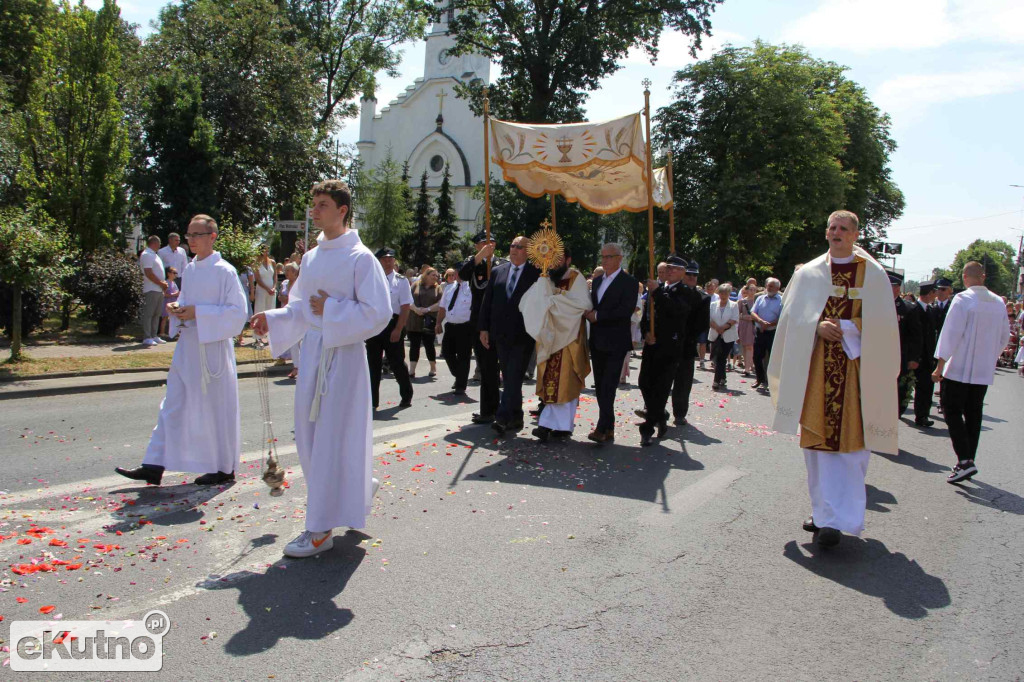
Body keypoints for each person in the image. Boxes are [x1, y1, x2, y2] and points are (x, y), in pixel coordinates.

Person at [251, 180, 392, 558]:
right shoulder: (312, 258)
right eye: (314, 203)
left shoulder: (361, 258)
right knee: (312, 438)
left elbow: (379, 313)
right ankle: (354, 490)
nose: (315, 211)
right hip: (313, 356)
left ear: (343, 210)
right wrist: (273, 316)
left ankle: (320, 530)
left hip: (343, 359)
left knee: (331, 439)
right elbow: (301, 308)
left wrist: (331, 309)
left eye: (323, 204)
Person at [767, 209, 899, 548]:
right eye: (831, 227)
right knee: (817, 445)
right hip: (816, 369)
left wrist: (851, 329)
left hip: (857, 373)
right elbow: (790, 320)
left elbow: (884, 328)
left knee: (851, 448)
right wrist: (815, 326)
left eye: (843, 228)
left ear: (856, 235)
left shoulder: (873, 275)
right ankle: (823, 515)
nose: (836, 232)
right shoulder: (809, 273)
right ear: (826, 232)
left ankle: (845, 518)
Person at [116, 215, 249, 487]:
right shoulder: (191, 269)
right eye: (189, 235)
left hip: (212, 349)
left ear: (212, 237)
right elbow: (187, 302)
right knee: (173, 403)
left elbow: (238, 314)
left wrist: (198, 313)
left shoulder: (225, 271)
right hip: (188, 346)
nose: (191, 240)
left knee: (215, 408)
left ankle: (223, 467)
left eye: (197, 234)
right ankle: (154, 463)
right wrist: (178, 310)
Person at [933, 261, 1011, 483]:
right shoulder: (998, 302)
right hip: (982, 370)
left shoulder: (962, 299)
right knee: (974, 414)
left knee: (951, 410)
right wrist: (990, 356)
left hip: (958, 368)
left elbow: (950, 333)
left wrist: (940, 365)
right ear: (983, 277)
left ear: (964, 277)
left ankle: (965, 460)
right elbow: (1004, 336)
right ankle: (966, 460)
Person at [519, 248, 591, 442]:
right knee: (552, 381)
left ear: (568, 260)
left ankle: (555, 425)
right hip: (549, 338)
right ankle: (555, 425)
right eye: (552, 260)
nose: (555, 263)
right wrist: (545, 291)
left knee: (565, 381)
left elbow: (582, 305)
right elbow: (529, 302)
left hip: (569, 338)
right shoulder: (546, 278)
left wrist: (553, 300)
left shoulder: (576, 277)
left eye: (559, 260)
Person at [480, 235, 540, 435]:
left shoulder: (537, 274)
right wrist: (484, 328)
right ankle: (515, 417)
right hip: (500, 333)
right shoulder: (498, 271)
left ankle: (503, 416)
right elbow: (487, 302)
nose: (514, 249)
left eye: (520, 247)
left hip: (524, 334)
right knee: (510, 376)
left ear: (528, 251)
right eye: (512, 245)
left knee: (513, 375)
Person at [585, 243, 639, 443]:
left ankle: (601, 427)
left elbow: (625, 310)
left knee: (608, 384)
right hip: (598, 340)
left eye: (609, 256)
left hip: (616, 340)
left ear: (619, 258)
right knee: (600, 385)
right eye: (603, 256)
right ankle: (609, 426)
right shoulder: (598, 281)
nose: (605, 260)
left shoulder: (629, 282)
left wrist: (598, 316)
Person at [636, 255, 689, 446]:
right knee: (644, 382)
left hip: (669, 348)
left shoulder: (685, 291)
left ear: (683, 272)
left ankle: (647, 427)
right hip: (652, 346)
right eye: (668, 268)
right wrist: (645, 332)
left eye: (674, 269)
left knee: (660, 388)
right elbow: (647, 315)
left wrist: (657, 292)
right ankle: (660, 414)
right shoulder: (658, 290)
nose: (669, 271)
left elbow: (675, 312)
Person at [459, 231, 503, 424]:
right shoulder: (473, 262)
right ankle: (488, 410)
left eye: (491, 242)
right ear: (477, 246)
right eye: (483, 243)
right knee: (486, 367)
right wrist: (479, 257)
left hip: (499, 320)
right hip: (479, 321)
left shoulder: (502, 264)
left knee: (499, 367)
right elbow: (462, 274)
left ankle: (502, 409)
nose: (488, 245)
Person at [366, 248, 414, 410]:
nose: (388, 261)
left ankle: (406, 395)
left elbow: (405, 306)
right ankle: (372, 401)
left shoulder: (400, 281)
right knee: (373, 365)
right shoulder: (370, 279)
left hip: (393, 324)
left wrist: (399, 329)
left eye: (390, 258)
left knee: (397, 363)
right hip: (374, 325)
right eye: (384, 258)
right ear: (378, 260)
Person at [670, 259, 709, 425]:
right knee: (662, 379)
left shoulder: (702, 298)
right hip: (669, 342)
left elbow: (702, 323)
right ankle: (655, 410)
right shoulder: (673, 292)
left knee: (683, 382)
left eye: (695, 275)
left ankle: (680, 413)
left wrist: (686, 335)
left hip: (686, 344)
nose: (692, 277)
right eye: (689, 274)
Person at [435, 269, 473, 394]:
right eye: (455, 272)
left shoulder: (471, 288)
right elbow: (442, 307)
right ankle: (460, 375)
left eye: (458, 272)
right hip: (450, 325)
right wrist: (438, 322)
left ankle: (460, 385)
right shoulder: (449, 288)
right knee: (446, 352)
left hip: (465, 327)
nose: (456, 275)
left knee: (463, 356)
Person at [892, 272, 922, 417]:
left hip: (900, 356)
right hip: (876, 356)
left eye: (894, 286)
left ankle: (895, 414)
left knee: (899, 390)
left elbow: (916, 335)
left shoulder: (908, 308)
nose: (891, 289)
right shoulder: (874, 304)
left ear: (898, 288)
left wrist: (914, 358)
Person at [911, 281, 939, 427]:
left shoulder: (929, 310)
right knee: (914, 388)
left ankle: (922, 415)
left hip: (928, 357)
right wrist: (912, 357)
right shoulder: (914, 310)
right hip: (917, 357)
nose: (935, 296)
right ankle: (917, 414)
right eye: (934, 293)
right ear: (929, 294)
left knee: (926, 388)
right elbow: (911, 336)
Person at [407, 267, 442, 378]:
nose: (435, 277)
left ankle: (433, 367)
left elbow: (441, 303)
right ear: (426, 275)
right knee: (414, 345)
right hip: (414, 319)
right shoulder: (415, 285)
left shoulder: (438, 288)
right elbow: (407, 299)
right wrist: (416, 309)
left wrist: (427, 309)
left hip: (429, 320)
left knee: (429, 344)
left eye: (437, 276)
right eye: (433, 275)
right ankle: (412, 370)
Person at [750, 277, 782, 390]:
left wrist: (768, 324)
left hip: (772, 333)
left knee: (773, 359)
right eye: (768, 285)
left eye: (772, 286)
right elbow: (753, 312)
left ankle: (771, 382)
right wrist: (760, 321)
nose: (769, 288)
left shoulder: (782, 301)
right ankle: (760, 379)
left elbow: (782, 318)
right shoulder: (760, 298)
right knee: (757, 357)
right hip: (760, 332)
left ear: (777, 288)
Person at [708, 283, 740, 390]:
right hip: (715, 333)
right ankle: (723, 377)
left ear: (729, 293)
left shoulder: (734, 305)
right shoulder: (713, 304)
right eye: (721, 292)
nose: (723, 295)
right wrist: (717, 327)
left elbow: (734, 319)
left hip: (728, 335)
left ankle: (716, 381)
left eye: (726, 293)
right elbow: (709, 319)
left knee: (722, 358)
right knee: (715, 357)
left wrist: (723, 327)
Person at [139, 235, 168, 347]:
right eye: (159, 243)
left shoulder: (154, 255)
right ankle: (147, 336)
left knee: (157, 314)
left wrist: (162, 285)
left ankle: (154, 335)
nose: (160, 246)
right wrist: (161, 283)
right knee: (149, 313)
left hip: (158, 289)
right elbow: (148, 272)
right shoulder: (147, 254)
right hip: (151, 288)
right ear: (154, 243)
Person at [253, 245, 277, 346]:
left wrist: (274, 287)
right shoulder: (256, 263)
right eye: (263, 251)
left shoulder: (272, 262)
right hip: (262, 290)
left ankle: (269, 335)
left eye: (266, 250)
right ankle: (258, 336)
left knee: (270, 311)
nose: (265, 253)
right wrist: (267, 289)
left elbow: (275, 276)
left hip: (271, 290)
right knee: (260, 310)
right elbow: (258, 279)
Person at [737, 284, 757, 377]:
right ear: (747, 290)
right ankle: (747, 365)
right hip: (744, 325)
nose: (752, 291)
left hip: (754, 325)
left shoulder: (757, 301)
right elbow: (736, 315)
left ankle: (748, 367)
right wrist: (745, 317)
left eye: (754, 290)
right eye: (751, 289)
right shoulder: (742, 301)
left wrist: (754, 318)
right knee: (745, 346)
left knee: (750, 346)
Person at [159, 267, 180, 339]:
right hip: (167, 302)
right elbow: (164, 294)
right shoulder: (166, 282)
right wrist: (173, 294)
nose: (175, 275)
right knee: (165, 317)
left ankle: (174, 332)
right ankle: (162, 332)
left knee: (174, 317)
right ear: (168, 273)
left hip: (174, 302)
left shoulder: (174, 283)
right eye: (174, 273)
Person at [236, 264, 255, 347]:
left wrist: (252, 294)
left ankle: (240, 337)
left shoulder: (247, 269)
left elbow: (251, 283)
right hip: (234, 293)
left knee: (243, 315)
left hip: (245, 293)